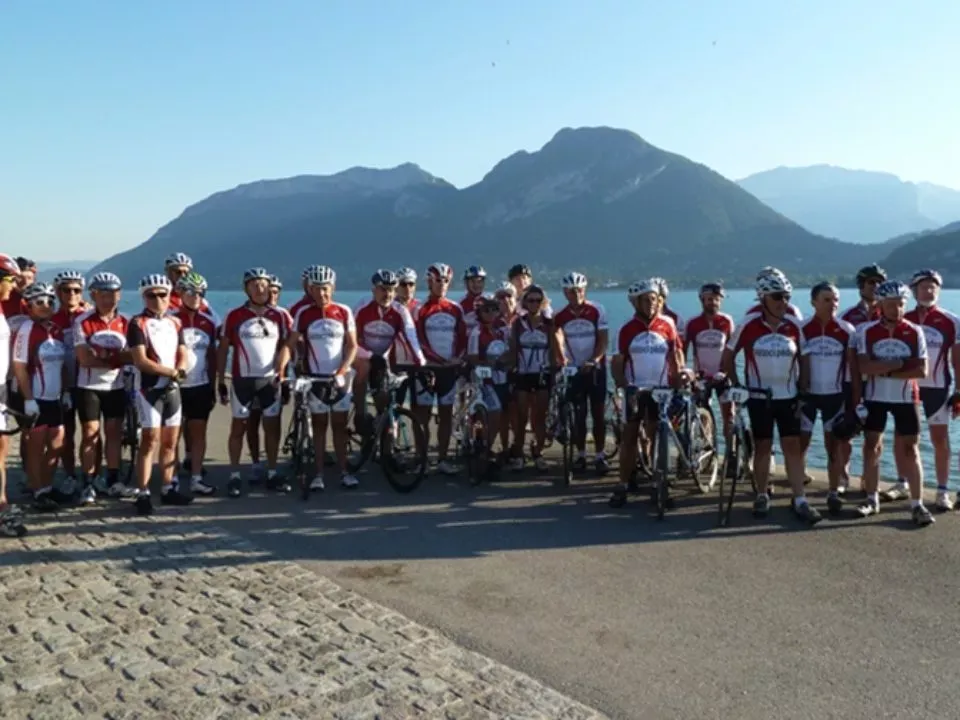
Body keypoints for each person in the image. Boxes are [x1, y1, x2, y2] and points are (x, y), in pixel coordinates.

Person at [722, 271, 821, 524]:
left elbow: (805, 358)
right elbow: (727, 357)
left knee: (793, 448)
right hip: (759, 397)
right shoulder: (748, 324)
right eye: (777, 297)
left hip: (788, 397)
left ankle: (799, 498)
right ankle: (762, 494)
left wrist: (804, 389)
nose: (783, 302)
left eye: (787, 297)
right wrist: (737, 386)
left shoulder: (794, 325)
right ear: (763, 297)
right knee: (763, 447)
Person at [853, 280, 932, 526]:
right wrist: (898, 365)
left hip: (906, 398)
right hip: (876, 397)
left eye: (900, 305)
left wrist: (884, 370)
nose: (895, 310)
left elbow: (921, 370)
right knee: (872, 446)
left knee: (911, 449)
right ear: (880, 305)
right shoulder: (866, 331)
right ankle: (871, 498)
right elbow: (864, 367)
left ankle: (917, 504)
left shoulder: (914, 331)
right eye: (890, 305)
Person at [608, 280, 682, 508]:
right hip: (636, 389)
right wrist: (623, 386)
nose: (651, 304)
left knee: (657, 436)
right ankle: (622, 485)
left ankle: (659, 483)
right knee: (629, 437)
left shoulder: (667, 325)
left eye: (654, 299)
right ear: (636, 303)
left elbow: (675, 355)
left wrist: (680, 379)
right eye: (646, 300)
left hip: (661, 391)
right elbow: (617, 361)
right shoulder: (626, 329)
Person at [218, 267, 291, 496]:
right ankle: (234, 475)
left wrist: (282, 371)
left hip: (270, 380)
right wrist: (220, 379)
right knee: (238, 428)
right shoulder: (234, 315)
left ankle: (271, 472)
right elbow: (222, 349)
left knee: (272, 427)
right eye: (254, 284)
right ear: (246, 288)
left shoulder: (280, 315)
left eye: (264, 284)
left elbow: (287, 346)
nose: (260, 288)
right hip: (242, 381)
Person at [287, 265, 360, 490]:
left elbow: (352, 346)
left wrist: (342, 371)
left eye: (325, 289)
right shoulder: (303, 313)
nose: (322, 294)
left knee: (339, 426)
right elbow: (291, 344)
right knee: (319, 427)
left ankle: (344, 471)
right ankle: (318, 474)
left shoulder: (344, 311)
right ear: (310, 289)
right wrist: (287, 371)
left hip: (338, 379)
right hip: (315, 378)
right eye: (317, 289)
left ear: (333, 288)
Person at [126, 275, 193, 515]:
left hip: (172, 389)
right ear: (144, 297)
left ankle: (167, 487)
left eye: (162, 294)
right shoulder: (137, 323)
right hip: (148, 388)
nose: (158, 300)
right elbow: (140, 360)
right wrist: (172, 372)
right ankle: (142, 492)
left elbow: (182, 351)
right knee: (149, 441)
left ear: (169, 296)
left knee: (170, 441)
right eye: (151, 295)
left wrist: (181, 369)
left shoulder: (176, 323)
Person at [897, 269, 959, 511]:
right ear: (914, 291)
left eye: (934, 286)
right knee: (903, 437)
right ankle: (902, 483)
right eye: (924, 287)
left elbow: (958, 361)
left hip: (938, 387)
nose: (929, 291)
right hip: (907, 385)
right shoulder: (905, 318)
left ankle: (942, 490)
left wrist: (959, 391)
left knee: (940, 439)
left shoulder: (951, 321)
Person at [797, 282, 857, 515]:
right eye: (826, 300)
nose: (833, 304)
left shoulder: (847, 329)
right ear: (813, 302)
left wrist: (854, 402)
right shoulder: (802, 328)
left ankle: (833, 491)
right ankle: (798, 490)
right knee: (801, 444)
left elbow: (853, 369)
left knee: (834, 446)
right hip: (809, 397)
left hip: (835, 396)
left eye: (836, 300)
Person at [74, 272, 131, 501]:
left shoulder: (127, 322)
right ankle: (88, 481)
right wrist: (116, 358)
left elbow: (133, 356)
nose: (109, 299)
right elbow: (84, 359)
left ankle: (113, 479)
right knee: (90, 434)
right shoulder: (83, 321)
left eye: (114, 293)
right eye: (103, 294)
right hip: (89, 386)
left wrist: (105, 356)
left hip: (116, 386)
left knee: (114, 433)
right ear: (94, 295)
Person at [12, 283, 68, 512]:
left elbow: (62, 364)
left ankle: (46, 485)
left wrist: (64, 392)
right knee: (35, 446)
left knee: (57, 443)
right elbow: (20, 367)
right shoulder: (26, 329)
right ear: (29, 305)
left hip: (54, 396)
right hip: (35, 395)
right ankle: (37, 490)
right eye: (40, 302)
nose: (46, 306)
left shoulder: (56, 329)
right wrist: (28, 399)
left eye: (50, 301)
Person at [838, 263, 888, 494]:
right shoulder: (848, 316)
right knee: (847, 432)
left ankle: (868, 479)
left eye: (880, 282)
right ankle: (842, 476)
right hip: (850, 381)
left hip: (879, 382)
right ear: (861, 286)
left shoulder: (888, 314)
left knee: (874, 435)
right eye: (871, 282)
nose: (876, 286)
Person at [413, 263, 467, 474]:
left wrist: (456, 358)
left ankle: (442, 459)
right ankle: (422, 459)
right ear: (429, 282)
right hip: (427, 369)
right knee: (422, 416)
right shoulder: (420, 308)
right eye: (438, 281)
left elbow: (462, 337)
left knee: (446, 415)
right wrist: (435, 360)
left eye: (445, 281)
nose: (442, 285)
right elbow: (419, 339)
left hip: (448, 370)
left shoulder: (455, 308)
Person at [554, 272, 610, 474]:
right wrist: (563, 359)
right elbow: (557, 337)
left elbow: (603, 339)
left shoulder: (597, 310)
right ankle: (580, 455)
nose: (575, 294)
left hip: (595, 369)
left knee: (598, 415)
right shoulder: (559, 315)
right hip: (574, 369)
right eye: (570, 291)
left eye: (578, 290)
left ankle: (600, 455)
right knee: (579, 415)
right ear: (565, 293)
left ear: (584, 290)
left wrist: (594, 359)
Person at [352, 269, 424, 425]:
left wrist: (421, 364)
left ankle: (381, 428)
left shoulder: (400, 311)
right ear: (374, 290)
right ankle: (360, 413)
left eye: (391, 290)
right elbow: (350, 341)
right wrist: (370, 356)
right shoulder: (362, 307)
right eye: (383, 289)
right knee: (364, 368)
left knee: (384, 400)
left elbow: (412, 338)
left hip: (383, 360)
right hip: (362, 354)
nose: (388, 294)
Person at [170, 272, 218, 496]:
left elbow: (213, 355)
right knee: (173, 436)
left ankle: (197, 478)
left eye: (201, 293)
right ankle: (173, 480)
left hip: (200, 385)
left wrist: (214, 383)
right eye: (191, 292)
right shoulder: (169, 319)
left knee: (198, 433)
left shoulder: (208, 321)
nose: (197, 296)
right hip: (175, 387)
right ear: (180, 293)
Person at [505, 284, 561, 471]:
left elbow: (554, 349)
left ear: (543, 302)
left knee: (540, 416)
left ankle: (538, 452)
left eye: (538, 300)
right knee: (521, 417)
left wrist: (557, 367)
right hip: (522, 374)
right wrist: (505, 365)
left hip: (542, 374)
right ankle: (519, 452)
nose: (534, 304)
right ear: (524, 302)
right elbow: (513, 349)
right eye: (531, 300)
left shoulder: (548, 323)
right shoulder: (517, 324)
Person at [51, 270, 89, 495]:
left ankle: (90, 475)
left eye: (77, 290)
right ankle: (69, 474)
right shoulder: (53, 320)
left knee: (90, 429)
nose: (72, 294)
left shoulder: (88, 315)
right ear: (58, 292)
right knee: (67, 432)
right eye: (67, 290)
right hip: (62, 384)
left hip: (87, 382)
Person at [684, 282, 735, 437]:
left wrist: (727, 372)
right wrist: (687, 372)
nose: (713, 302)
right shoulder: (692, 323)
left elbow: (731, 349)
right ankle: (706, 449)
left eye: (716, 299)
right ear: (702, 300)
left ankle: (730, 452)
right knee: (702, 415)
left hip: (722, 375)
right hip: (701, 376)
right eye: (709, 299)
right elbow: (682, 350)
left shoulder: (727, 321)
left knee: (729, 415)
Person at [466, 296, 508, 462]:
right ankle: (483, 446)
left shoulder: (502, 330)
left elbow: (509, 351)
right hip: (483, 379)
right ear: (479, 312)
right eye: (486, 310)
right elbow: (473, 357)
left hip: (501, 378)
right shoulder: (477, 332)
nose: (491, 313)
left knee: (498, 413)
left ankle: (487, 446)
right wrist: (489, 362)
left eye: (494, 309)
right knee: (492, 411)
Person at [459, 265, 488, 331]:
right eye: (472, 281)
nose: (476, 285)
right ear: (466, 283)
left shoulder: (490, 301)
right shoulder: (460, 305)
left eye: (479, 281)